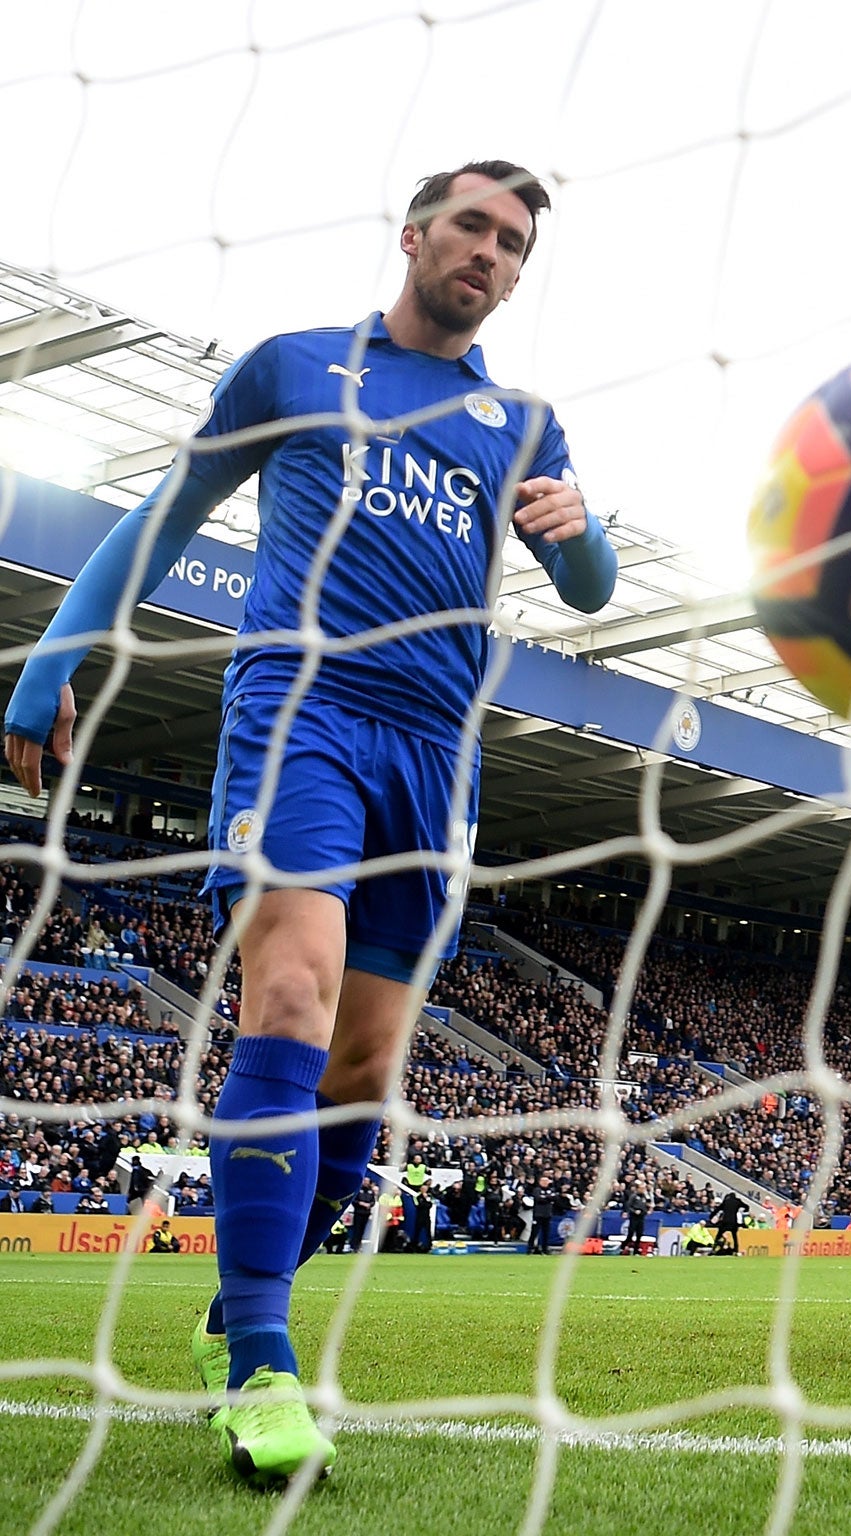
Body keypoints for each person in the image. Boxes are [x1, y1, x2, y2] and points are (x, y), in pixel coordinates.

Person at [1, 160, 618, 1485]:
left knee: (364, 1073)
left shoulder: (522, 419)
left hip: (436, 760)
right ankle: (266, 1362)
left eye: (515, 244)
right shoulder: (292, 370)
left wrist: (580, 533)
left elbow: (588, 587)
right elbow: (164, 521)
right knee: (289, 994)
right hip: (302, 719)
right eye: (472, 227)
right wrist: (57, 662)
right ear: (414, 234)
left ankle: (241, 1303)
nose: (493, 254)